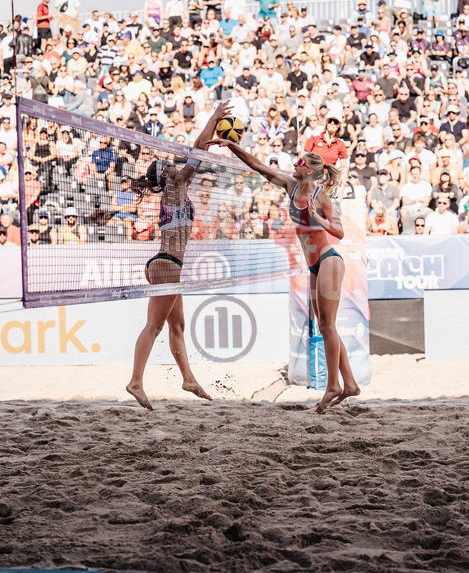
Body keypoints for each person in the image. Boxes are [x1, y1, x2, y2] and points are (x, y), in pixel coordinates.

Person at [210, 141, 359, 414]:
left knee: (327, 327)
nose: (295, 164)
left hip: (329, 260)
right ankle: (348, 383)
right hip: (313, 264)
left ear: (311, 171)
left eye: (300, 163)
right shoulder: (290, 186)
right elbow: (258, 166)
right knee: (326, 327)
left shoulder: (321, 197)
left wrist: (319, 219)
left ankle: (334, 386)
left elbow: (339, 232)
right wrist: (231, 144)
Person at [124, 102, 232, 410]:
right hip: (166, 264)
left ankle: (188, 378)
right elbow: (196, 152)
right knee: (154, 327)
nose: (173, 165)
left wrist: (209, 128)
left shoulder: (177, 191)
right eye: (168, 165)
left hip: (168, 265)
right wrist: (212, 118)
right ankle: (135, 381)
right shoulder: (175, 187)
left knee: (177, 326)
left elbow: (195, 152)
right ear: (165, 176)